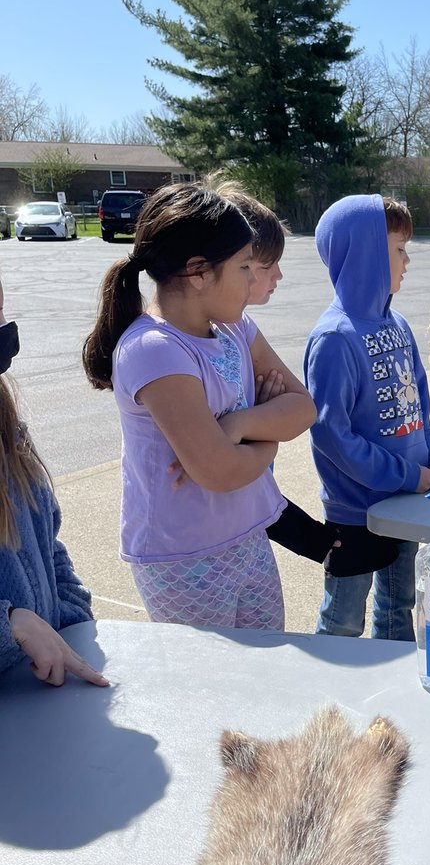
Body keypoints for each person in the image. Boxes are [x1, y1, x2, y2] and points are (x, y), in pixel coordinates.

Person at [83, 183, 316, 630]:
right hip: (183, 559)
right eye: (245, 266)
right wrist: (267, 439)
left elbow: (303, 407)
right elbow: (219, 472)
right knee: (213, 690)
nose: (255, 279)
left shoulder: (235, 330)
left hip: (247, 537)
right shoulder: (154, 349)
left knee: (265, 675)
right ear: (198, 272)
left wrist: (239, 423)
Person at [304, 194, 430, 640]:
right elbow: (333, 436)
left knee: (398, 608)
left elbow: (417, 410)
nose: (407, 261)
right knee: (343, 618)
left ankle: (392, 700)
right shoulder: (334, 338)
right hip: (356, 514)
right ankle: (332, 700)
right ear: (366, 254)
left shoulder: (399, 325)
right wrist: (408, 474)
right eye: (398, 249)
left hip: (406, 502)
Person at [214, 181, 339, 565]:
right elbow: (227, 465)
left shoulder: (240, 327)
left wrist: (248, 424)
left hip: (247, 528)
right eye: (267, 266)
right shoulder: (191, 343)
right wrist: (264, 422)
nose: (279, 275)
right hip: (214, 539)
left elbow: (301, 408)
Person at [0, 283, 108, 686]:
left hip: (36, 689)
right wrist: (12, 625)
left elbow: (49, 545)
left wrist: (70, 619)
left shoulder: (9, 428)